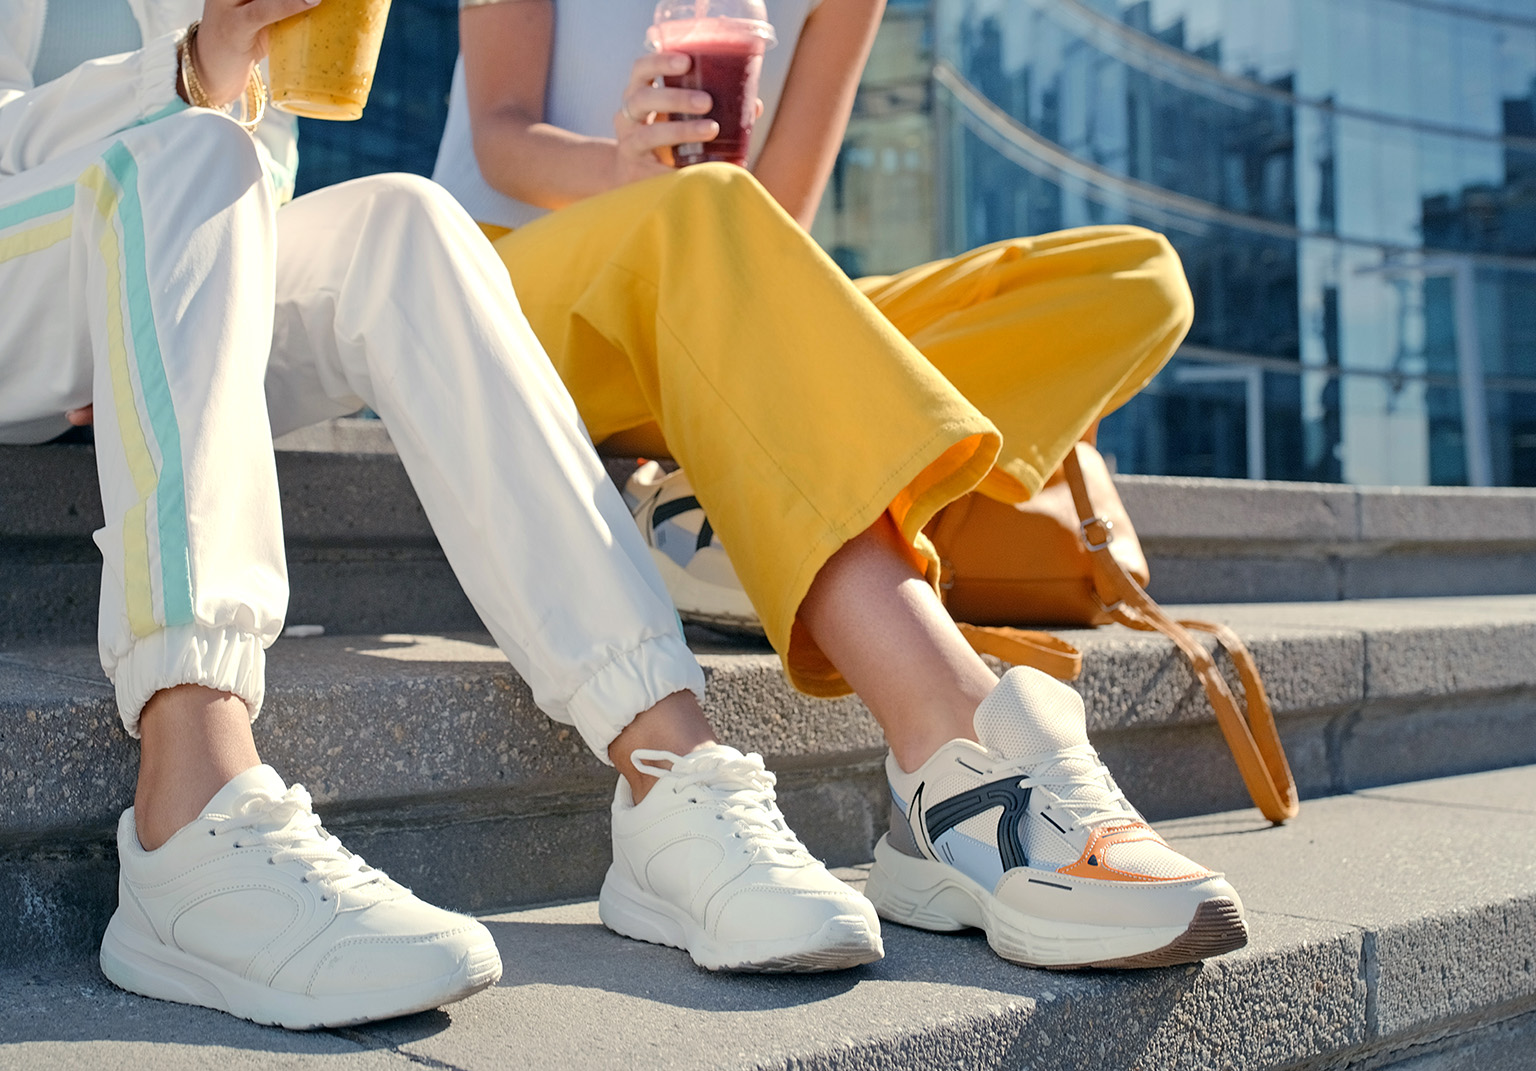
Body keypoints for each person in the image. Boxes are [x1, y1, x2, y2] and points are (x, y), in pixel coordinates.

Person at [0, 0, 902, 1031]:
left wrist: (186, 171)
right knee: (192, 155)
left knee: (407, 219)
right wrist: (189, 70)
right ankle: (189, 812)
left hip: (128, 248)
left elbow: (252, 171)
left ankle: (669, 771)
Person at [433, 0, 1250, 973]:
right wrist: (621, 172)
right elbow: (499, 134)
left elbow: (777, 220)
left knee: (1134, 278)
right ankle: (951, 749)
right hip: (516, 290)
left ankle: (721, 502)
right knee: (703, 207)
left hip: (718, 298)